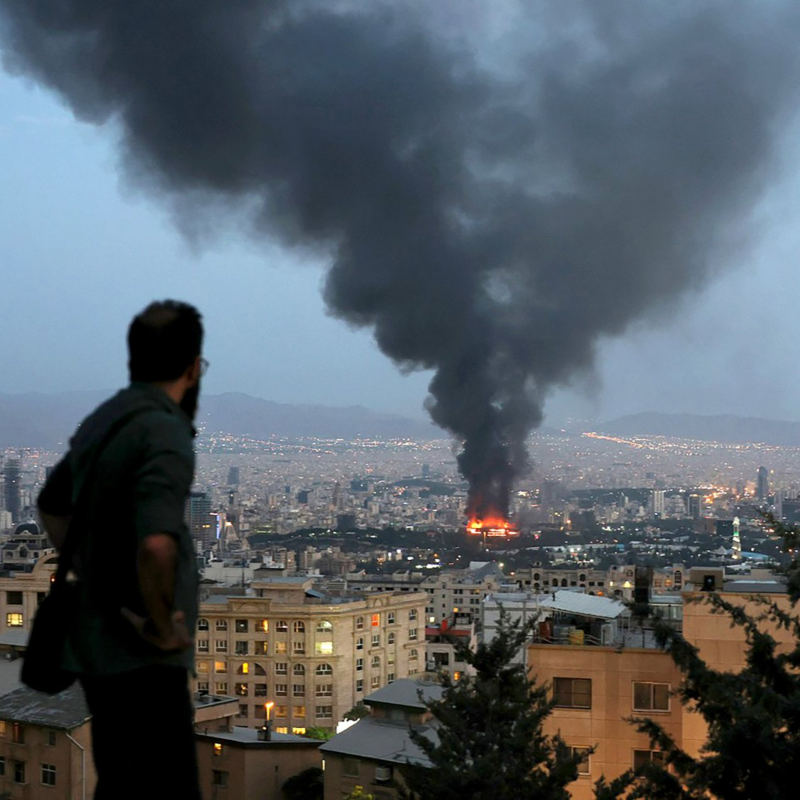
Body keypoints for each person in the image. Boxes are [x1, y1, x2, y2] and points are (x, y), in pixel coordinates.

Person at [38, 300, 205, 800]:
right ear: (193, 367)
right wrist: (160, 625)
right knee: (166, 786)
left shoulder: (105, 418)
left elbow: (50, 505)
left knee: (121, 781)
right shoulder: (165, 428)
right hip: (144, 655)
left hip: (94, 644)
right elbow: (156, 545)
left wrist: (95, 569)